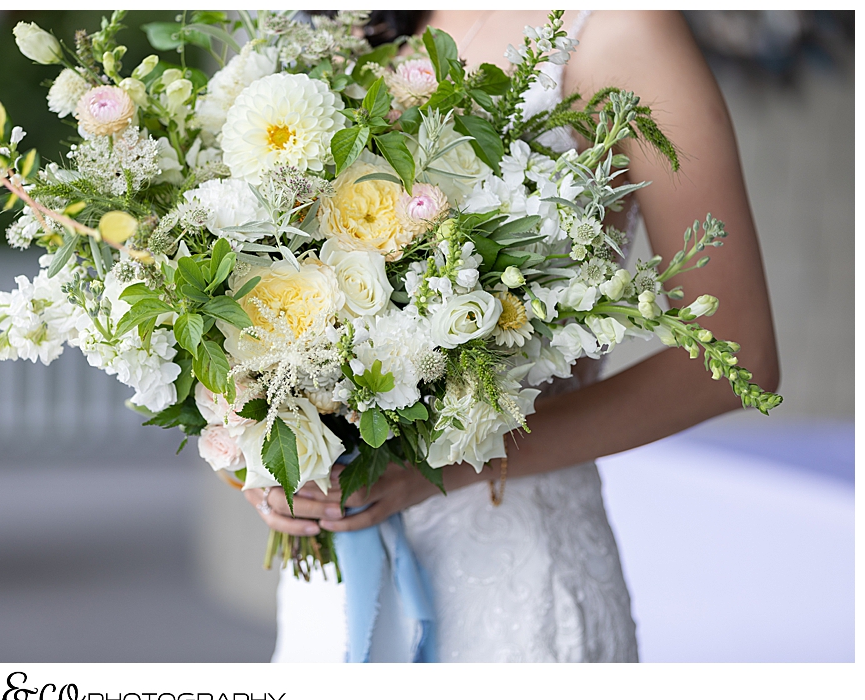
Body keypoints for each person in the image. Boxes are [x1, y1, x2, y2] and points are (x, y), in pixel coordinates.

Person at [242, 10, 780, 662]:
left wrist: (452, 461)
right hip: (335, 579)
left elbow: (736, 356)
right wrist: (266, 462)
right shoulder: (358, 23)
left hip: (515, 574)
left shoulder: (623, 32)